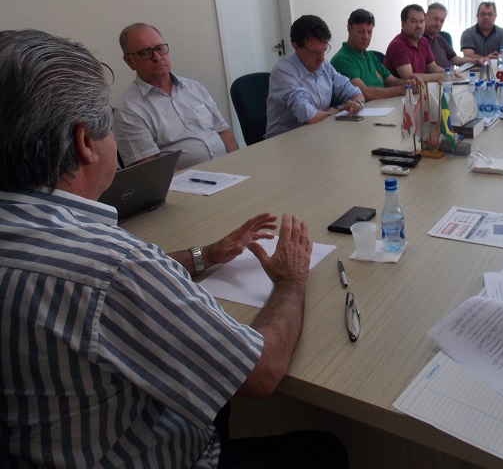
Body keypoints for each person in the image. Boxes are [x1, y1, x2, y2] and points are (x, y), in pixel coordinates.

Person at [0, 29, 348, 468]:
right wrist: (291, 280)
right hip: (153, 454)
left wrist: (205, 255)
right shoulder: (117, 266)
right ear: (85, 143)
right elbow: (262, 372)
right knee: (325, 451)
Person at [114, 23, 238, 171]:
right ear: (130, 62)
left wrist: (236, 164)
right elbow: (151, 169)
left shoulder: (194, 88)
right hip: (187, 183)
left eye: (160, 48)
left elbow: (224, 132)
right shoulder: (128, 110)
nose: (157, 57)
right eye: (145, 52)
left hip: (229, 171)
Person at [266, 15, 365, 139]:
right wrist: (334, 112)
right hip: (285, 141)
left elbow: (355, 92)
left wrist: (357, 103)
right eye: (314, 52)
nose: (321, 58)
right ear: (296, 47)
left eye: (324, 50)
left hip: (318, 134)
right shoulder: (283, 72)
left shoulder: (324, 66)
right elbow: (308, 115)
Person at [331, 8, 419, 101]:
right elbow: (365, 93)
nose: (366, 37)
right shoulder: (341, 60)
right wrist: (406, 89)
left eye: (369, 32)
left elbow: (393, 81)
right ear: (349, 29)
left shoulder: (371, 56)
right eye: (360, 32)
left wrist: (412, 83)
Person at [383, 4, 452, 82]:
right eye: (413, 21)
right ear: (403, 24)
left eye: (422, 21)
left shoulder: (423, 41)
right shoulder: (397, 45)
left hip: (420, 88)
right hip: (404, 89)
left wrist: (449, 73)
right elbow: (410, 77)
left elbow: (433, 67)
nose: (419, 26)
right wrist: (443, 76)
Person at [423, 2, 470, 69]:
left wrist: (478, 60)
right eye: (435, 19)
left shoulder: (440, 38)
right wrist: (448, 72)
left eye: (442, 21)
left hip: (450, 74)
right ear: (425, 17)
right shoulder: (419, 39)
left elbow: (457, 60)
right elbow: (430, 69)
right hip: (439, 75)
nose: (438, 24)